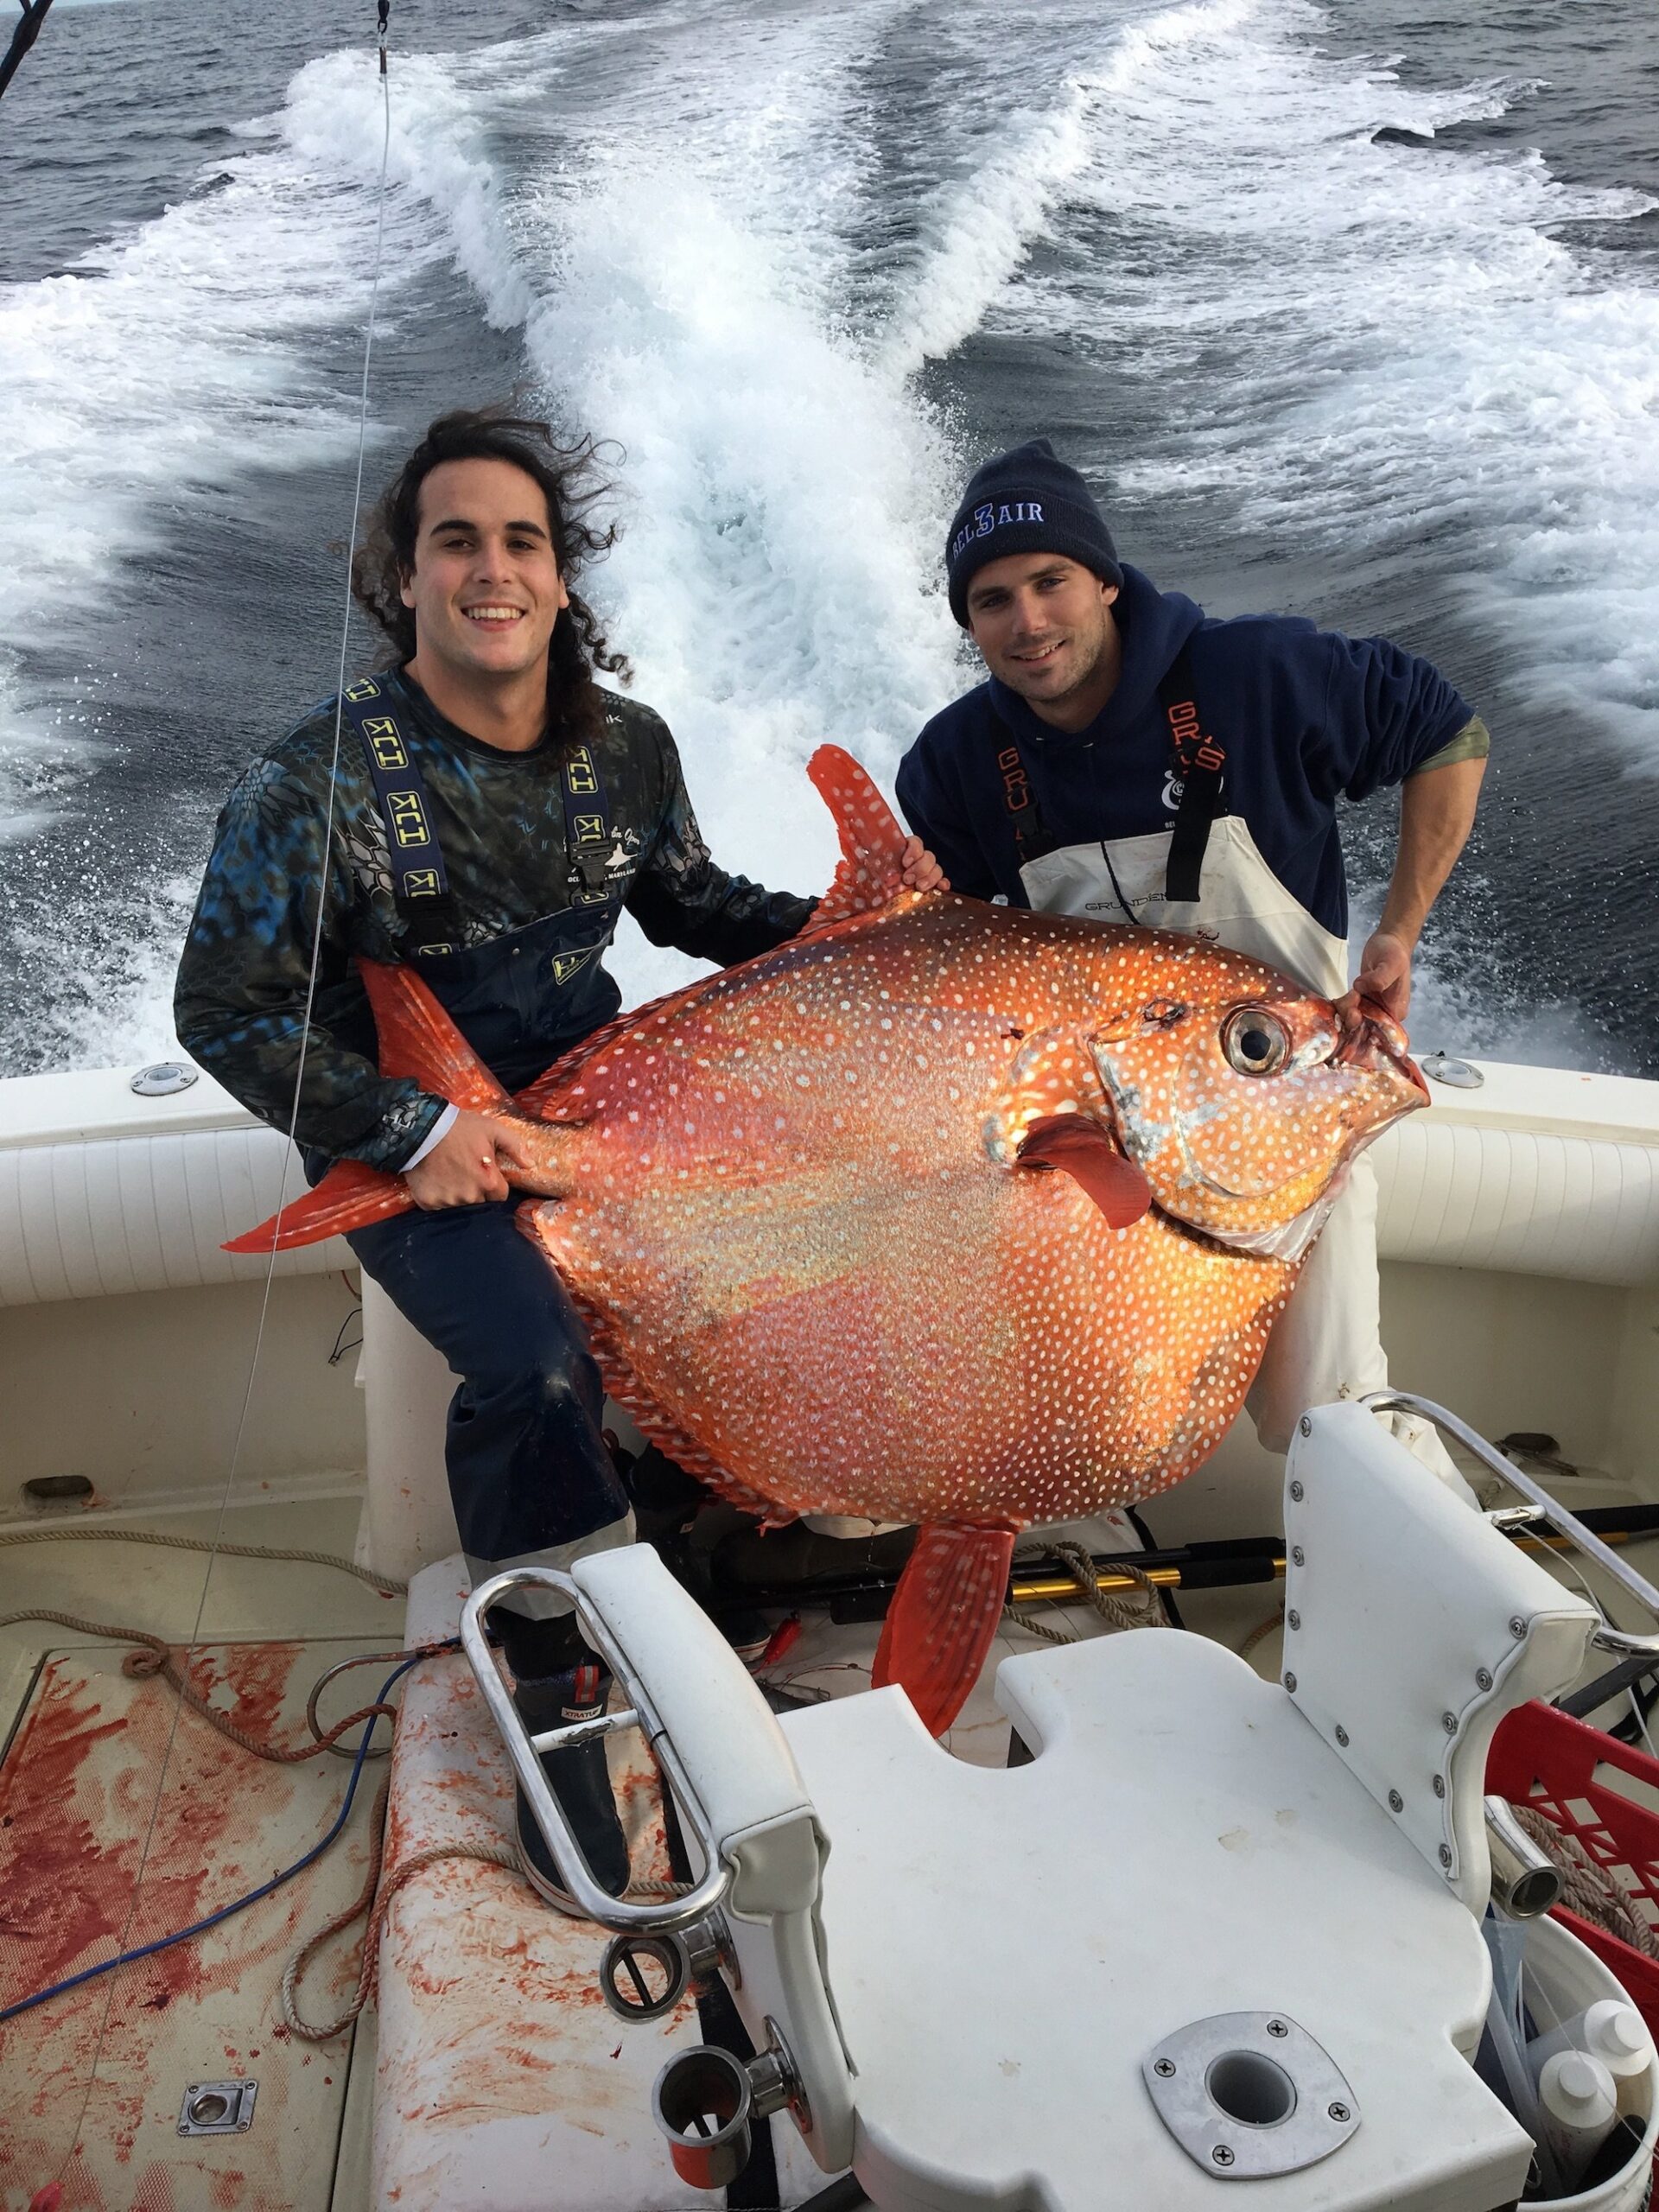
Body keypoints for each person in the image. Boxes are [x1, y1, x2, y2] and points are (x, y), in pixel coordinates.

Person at [175, 407, 942, 1899]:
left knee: (830, 1246)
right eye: (455, 540)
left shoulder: (626, 749)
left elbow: (696, 907)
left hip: (598, 1099)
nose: (492, 569)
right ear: (405, 578)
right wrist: (414, 1129)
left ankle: (680, 1566)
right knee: (536, 1369)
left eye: (521, 541)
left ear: (561, 576)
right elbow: (224, 1013)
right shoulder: (310, 785)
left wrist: (866, 943)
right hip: (405, 1135)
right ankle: (552, 1682)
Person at [896, 439, 1487, 1482]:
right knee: (1062, 1410)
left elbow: (1446, 730)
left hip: (1281, 1124)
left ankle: (1427, 1541)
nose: (1028, 621)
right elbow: (964, 963)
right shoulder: (952, 767)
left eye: (1050, 581)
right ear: (968, 623)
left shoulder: (1257, 675)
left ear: (1105, 581)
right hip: (1095, 1152)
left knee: (1333, 1417)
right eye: (992, 600)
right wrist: (916, 908)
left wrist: (1401, 928)